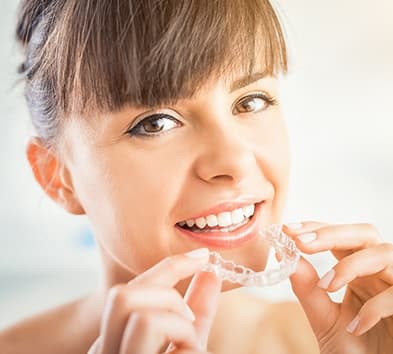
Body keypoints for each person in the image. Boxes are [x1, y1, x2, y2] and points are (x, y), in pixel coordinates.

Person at [1, 0, 393, 353]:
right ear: (59, 177)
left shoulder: (359, 342)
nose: (234, 161)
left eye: (251, 101)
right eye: (155, 123)